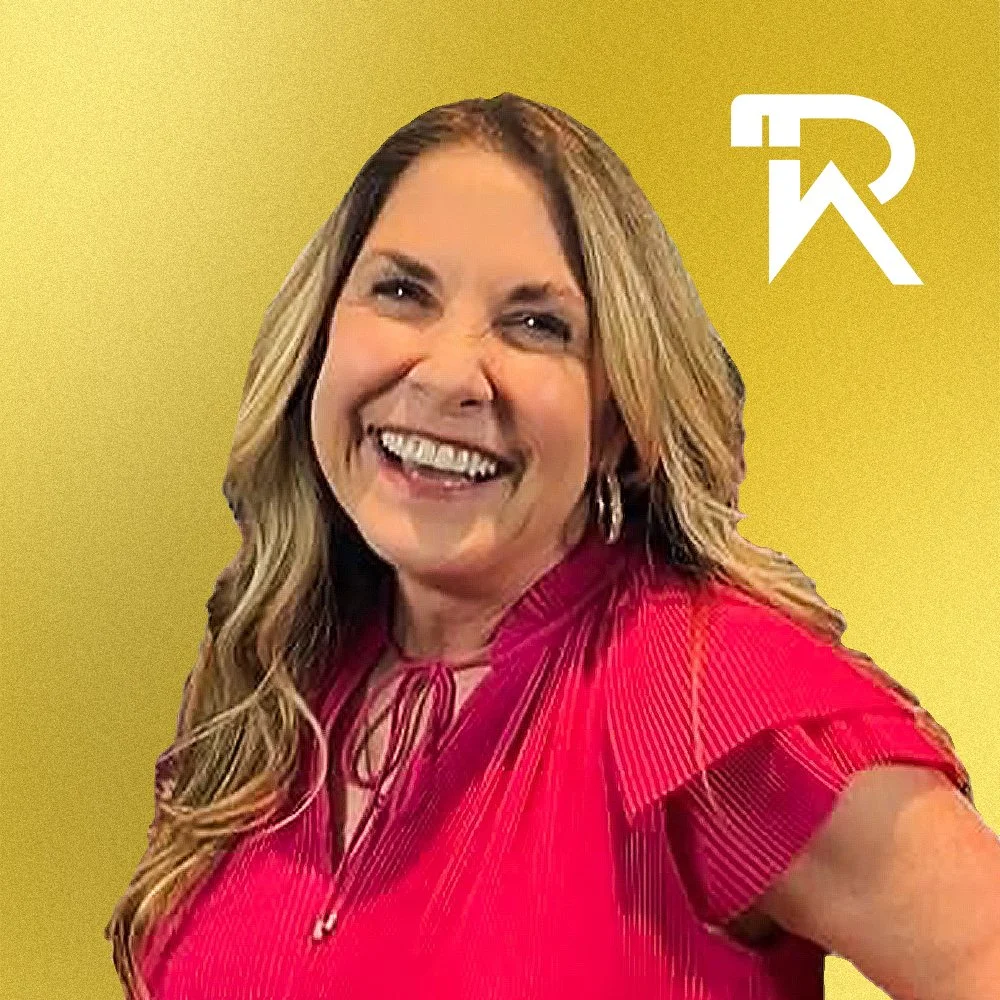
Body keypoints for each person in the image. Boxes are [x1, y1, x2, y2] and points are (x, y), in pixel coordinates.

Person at [105, 93, 995, 999]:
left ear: (617, 416)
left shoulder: (705, 695)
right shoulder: (276, 681)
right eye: (402, 291)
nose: (450, 373)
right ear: (322, 336)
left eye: (538, 326)